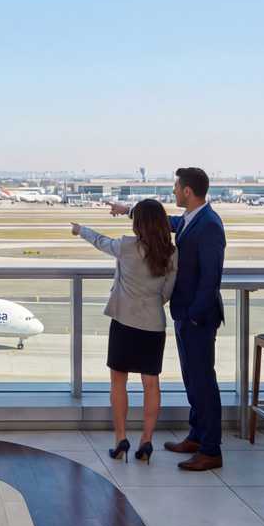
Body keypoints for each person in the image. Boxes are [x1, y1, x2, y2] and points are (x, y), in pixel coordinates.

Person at [111, 166, 226, 472]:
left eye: (176, 187)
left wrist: (194, 316)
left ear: (188, 191)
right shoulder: (192, 219)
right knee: (192, 378)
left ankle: (211, 449)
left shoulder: (210, 225)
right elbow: (165, 222)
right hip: (185, 314)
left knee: (203, 382)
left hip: (197, 317)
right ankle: (197, 436)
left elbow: (211, 278)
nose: (174, 192)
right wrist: (130, 210)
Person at [71, 198, 176, 464]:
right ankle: (147, 441)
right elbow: (167, 292)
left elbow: (100, 241)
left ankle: (121, 439)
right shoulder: (171, 252)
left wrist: (80, 229)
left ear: (137, 223)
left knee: (119, 382)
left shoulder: (127, 246)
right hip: (153, 324)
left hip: (124, 322)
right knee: (151, 384)